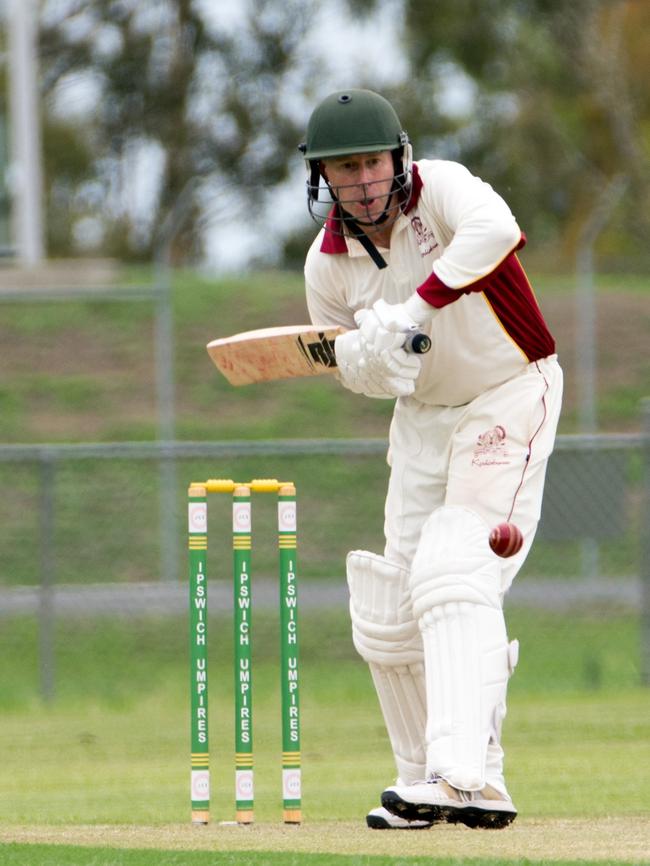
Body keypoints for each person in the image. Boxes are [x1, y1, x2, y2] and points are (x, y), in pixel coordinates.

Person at [298, 89, 563, 831]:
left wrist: (413, 311)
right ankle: (427, 781)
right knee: (389, 609)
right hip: (423, 420)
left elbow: (498, 229)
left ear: (397, 158)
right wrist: (378, 359)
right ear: (322, 178)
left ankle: (462, 771)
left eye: (368, 163)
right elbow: (356, 374)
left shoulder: (441, 190)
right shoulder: (328, 267)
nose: (360, 181)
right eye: (341, 169)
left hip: (509, 389)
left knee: (454, 565)